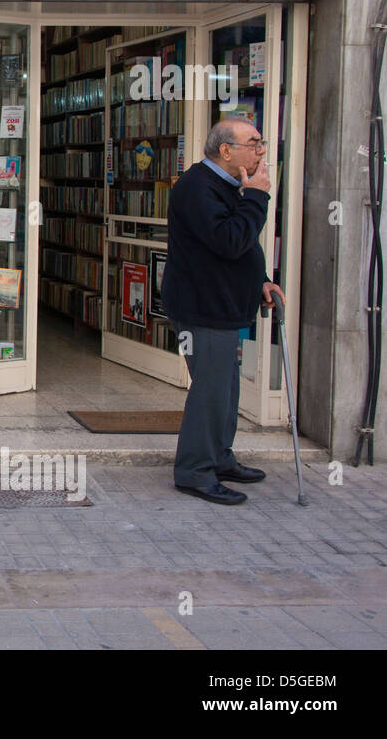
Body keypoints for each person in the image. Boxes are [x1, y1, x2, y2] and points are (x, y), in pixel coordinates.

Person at [161, 116, 286, 505]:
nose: (261, 151)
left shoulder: (231, 185)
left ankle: (219, 456)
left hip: (226, 304)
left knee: (226, 390)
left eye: (261, 143)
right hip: (202, 307)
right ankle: (195, 471)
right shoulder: (197, 187)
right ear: (226, 150)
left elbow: (242, 245)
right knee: (210, 392)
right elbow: (229, 240)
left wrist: (260, 279)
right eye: (254, 143)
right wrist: (260, 198)